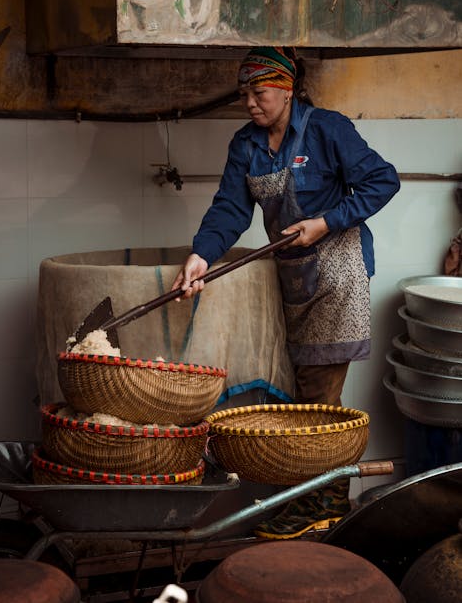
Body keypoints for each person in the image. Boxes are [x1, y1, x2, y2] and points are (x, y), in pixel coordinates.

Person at [171, 46, 400, 539]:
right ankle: (311, 497)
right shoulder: (246, 146)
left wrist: (326, 221)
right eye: (244, 94)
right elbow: (230, 210)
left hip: (338, 274)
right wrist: (200, 257)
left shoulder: (326, 129)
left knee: (319, 395)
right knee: (303, 397)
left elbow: (384, 180)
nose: (251, 103)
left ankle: (324, 503)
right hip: (293, 277)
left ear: (287, 88)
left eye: (260, 93)